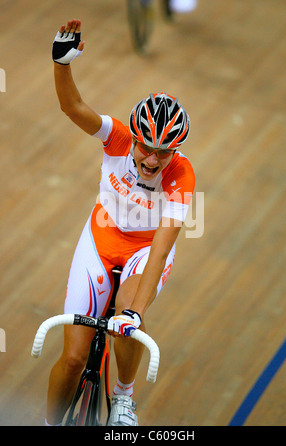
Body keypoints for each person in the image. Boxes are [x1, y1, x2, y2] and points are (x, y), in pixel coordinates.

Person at [46, 19, 195, 426]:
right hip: (101, 238)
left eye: (163, 152)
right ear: (135, 138)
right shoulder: (117, 137)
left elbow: (162, 245)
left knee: (127, 316)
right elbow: (72, 108)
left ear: (176, 151)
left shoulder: (182, 176)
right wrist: (62, 64)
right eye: (146, 146)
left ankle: (124, 396)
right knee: (74, 357)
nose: (151, 159)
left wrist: (135, 312)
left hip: (144, 251)